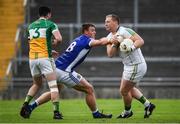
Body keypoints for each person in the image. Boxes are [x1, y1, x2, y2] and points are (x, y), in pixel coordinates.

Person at [21, 23, 114, 119]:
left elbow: (98, 41)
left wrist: (108, 39)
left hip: (55, 68)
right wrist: (111, 39)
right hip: (64, 71)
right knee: (89, 89)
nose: (94, 32)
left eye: (95, 30)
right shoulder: (87, 40)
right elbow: (100, 42)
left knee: (55, 90)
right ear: (86, 31)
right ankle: (96, 114)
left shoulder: (78, 39)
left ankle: (31, 107)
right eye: (92, 30)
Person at [105, 14, 156, 118]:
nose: (105, 24)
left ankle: (127, 112)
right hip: (128, 66)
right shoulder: (109, 37)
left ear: (115, 22)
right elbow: (110, 54)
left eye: (108, 21)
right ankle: (148, 105)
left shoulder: (124, 31)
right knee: (129, 89)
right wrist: (114, 43)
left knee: (124, 90)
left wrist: (131, 48)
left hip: (136, 65)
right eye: (105, 22)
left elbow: (140, 41)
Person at [20, 6, 63, 119]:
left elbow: (32, 42)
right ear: (48, 14)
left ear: (39, 14)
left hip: (32, 59)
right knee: (54, 87)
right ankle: (56, 113)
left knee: (36, 84)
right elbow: (59, 39)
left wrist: (48, 48)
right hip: (45, 58)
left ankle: (25, 104)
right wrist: (52, 44)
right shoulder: (50, 24)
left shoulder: (31, 26)